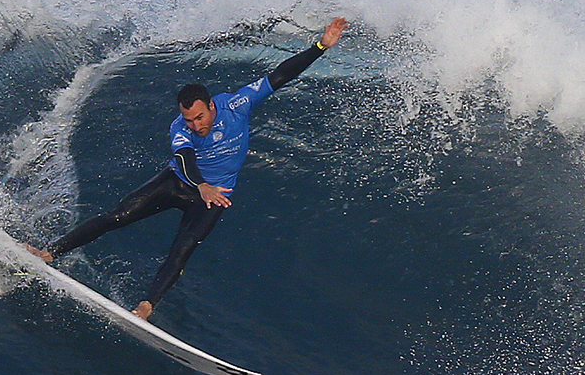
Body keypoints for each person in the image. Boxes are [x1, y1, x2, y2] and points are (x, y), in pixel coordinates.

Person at [26, 18, 351, 321]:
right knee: (116, 216)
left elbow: (281, 75)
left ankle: (146, 307)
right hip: (179, 183)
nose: (195, 126)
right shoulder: (179, 129)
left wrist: (320, 46)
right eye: (189, 120)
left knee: (182, 249)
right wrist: (200, 185)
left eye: (199, 118)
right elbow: (184, 159)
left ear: (211, 106)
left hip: (214, 195)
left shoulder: (237, 104)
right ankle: (50, 253)